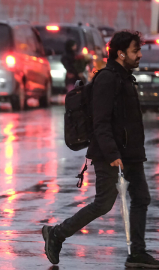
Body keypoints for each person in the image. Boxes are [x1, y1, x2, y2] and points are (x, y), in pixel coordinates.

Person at [42, 30, 159, 268]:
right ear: (120, 53)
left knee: (141, 198)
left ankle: (137, 253)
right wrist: (113, 154)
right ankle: (56, 234)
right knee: (103, 204)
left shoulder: (125, 76)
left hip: (130, 154)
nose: (139, 56)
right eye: (135, 51)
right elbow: (101, 122)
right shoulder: (107, 79)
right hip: (111, 155)